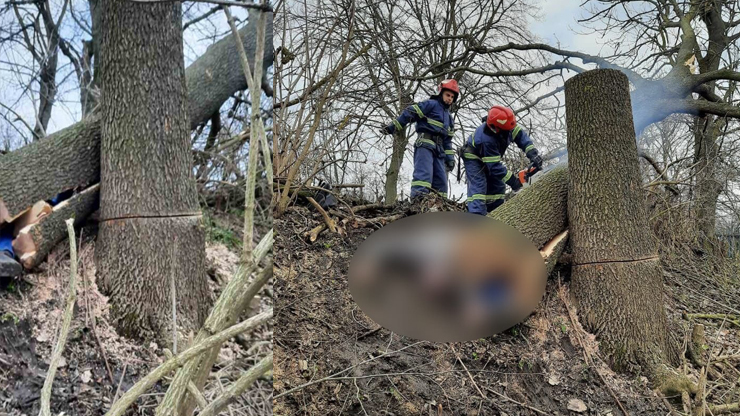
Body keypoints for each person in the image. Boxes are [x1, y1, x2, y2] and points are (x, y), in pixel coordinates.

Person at [381, 79, 459, 199]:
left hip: (439, 151)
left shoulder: (449, 118)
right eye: (447, 95)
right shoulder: (430, 104)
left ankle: (440, 204)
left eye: (452, 97)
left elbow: (448, 141)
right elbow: (410, 112)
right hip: (425, 145)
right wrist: (393, 127)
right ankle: (418, 201)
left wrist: (450, 158)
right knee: (424, 175)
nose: (450, 98)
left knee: (441, 181)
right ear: (441, 93)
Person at [461, 106, 543, 215]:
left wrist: (532, 153)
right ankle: (477, 217)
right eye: (506, 131)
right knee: (478, 188)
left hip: (490, 159)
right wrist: (514, 182)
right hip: (474, 158)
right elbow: (494, 167)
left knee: (498, 186)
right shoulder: (487, 139)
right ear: (496, 129)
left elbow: (521, 137)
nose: (509, 132)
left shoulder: (507, 126)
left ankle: (497, 214)